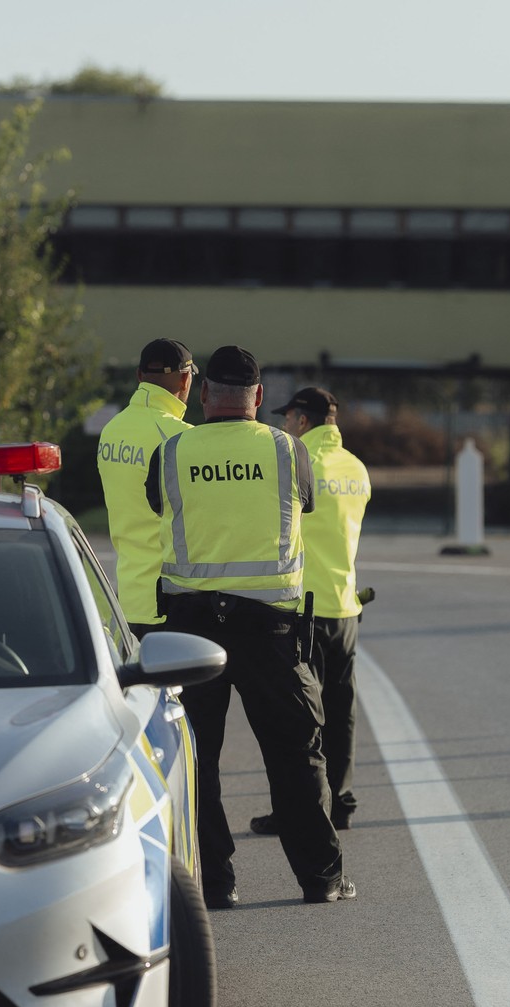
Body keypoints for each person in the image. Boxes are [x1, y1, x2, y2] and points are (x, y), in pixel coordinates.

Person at [145, 346, 354, 908]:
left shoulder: (171, 452)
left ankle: (214, 884)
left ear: (206, 396)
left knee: (195, 760)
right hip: (272, 632)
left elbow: (154, 506)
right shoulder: (288, 451)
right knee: (295, 755)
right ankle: (321, 878)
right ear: (258, 398)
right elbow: (305, 507)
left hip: (190, 631)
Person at [252, 386, 372, 836]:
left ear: (303, 421)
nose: (284, 425)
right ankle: (340, 802)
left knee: (299, 718)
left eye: (287, 419)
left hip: (304, 609)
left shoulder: (300, 463)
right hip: (346, 606)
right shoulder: (356, 469)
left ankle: (301, 810)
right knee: (341, 712)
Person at [96, 338, 194, 635]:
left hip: (126, 600)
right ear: (186, 379)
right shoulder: (181, 438)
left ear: (139, 376)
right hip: (170, 603)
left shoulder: (111, 430)